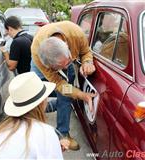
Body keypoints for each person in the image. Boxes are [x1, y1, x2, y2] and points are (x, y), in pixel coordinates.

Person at [31, 21, 96, 150]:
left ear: (67, 46)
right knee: (35, 96)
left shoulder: (76, 34)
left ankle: (62, 134)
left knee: (65, 97)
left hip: (63, 56)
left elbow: (86, 52)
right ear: (50, 65)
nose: (65, 68)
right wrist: (82, 95)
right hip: (41, 66)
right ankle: (36, 131)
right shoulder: (38, 54)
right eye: (61, 67)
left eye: (67, 63)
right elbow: (59, 84)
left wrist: (87, 62)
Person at [0, 72, 69, 159]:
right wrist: (82, 95)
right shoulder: (45, 133)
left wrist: (53, 146)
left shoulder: (1, 131)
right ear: (41, 103)